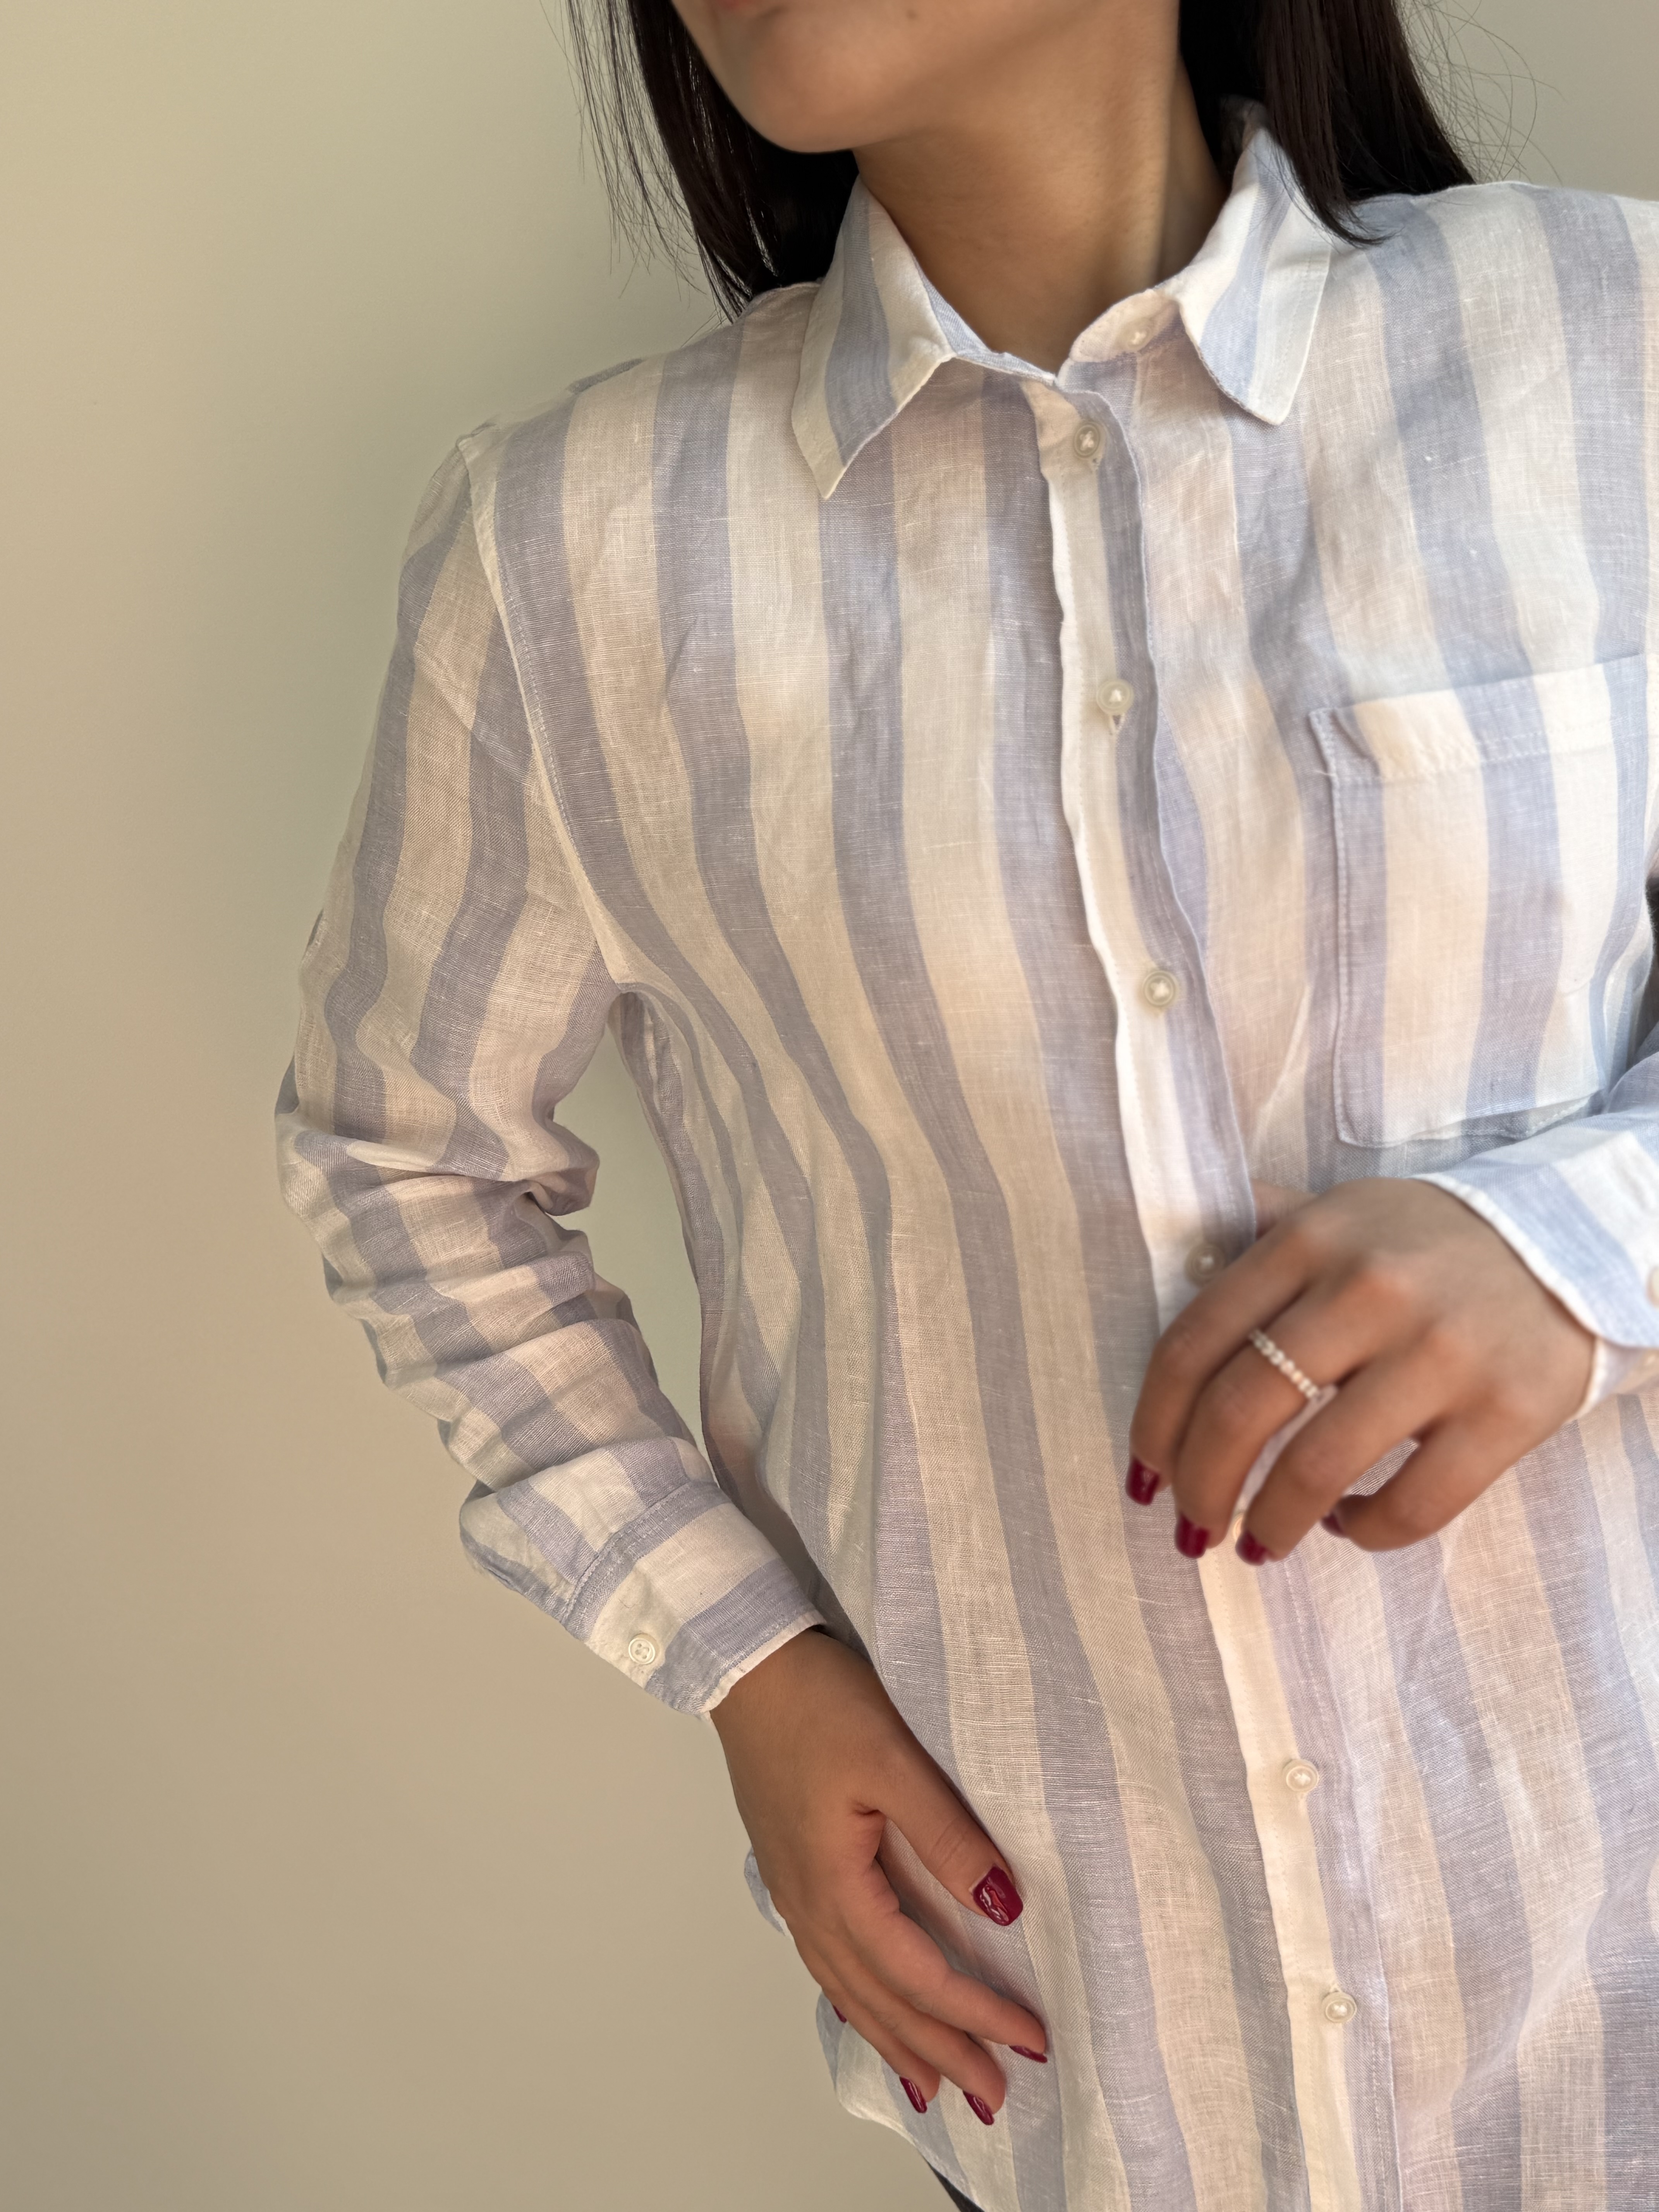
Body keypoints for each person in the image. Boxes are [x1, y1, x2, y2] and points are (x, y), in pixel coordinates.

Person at [274, 1, 1659, 2204]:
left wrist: (1585, 1252)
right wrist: (742, 1655)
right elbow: (405, 1155)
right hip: (1102, 2063)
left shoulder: (1608, 344)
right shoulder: (572, 563)